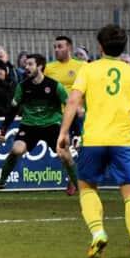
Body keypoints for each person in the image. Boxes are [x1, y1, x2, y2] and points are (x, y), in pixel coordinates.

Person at [57, 25, 130, 258]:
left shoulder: (88, 69)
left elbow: (73, 100)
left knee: (87, 188)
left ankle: (98, 232)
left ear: (100, 46)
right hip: (122, 142)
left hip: (93, 140)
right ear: (123, 47)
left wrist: (63, 132)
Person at [0, 54, 78, 195]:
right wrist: (3, 129)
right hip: (29, 126)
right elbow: (13, 110)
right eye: (26, 64)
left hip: (51, 125)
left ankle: (78, 185)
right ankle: (1, 181)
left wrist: (76, 132)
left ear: (40, 67)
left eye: (30, 64)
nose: (26, 67)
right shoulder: (22, 87)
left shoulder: (54, 86)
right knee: (16, 150)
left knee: (65, 155)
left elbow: (71, 108)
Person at [44, 35, 86, 195]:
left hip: (76, 113)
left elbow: (87, 88)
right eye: (55, 47)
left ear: (69, 48)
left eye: (60, 46)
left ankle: (79, 179)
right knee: (63, 148)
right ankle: (71, 178)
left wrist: (81, 106)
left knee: (80, 147)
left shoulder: (81, 66)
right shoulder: (49, 68)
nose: (56, 50)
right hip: (57, 115)